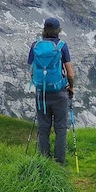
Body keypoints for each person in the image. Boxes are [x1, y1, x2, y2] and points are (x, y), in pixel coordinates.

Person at [27, 16, 75, 164]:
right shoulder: (61, 46)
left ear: (44, 30)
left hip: (42, 94)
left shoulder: (35, 46)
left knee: (43, 128)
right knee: (60, 128)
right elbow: (70, 73)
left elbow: (32, 70)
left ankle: (44, 162)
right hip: (59, 93)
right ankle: (60, 163)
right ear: (58, 30)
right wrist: (71, 87)